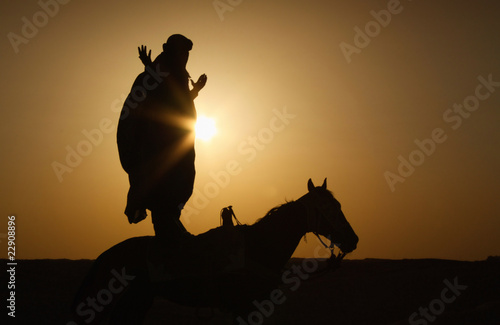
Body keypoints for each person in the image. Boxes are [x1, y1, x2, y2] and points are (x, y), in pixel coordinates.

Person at [117, 34, 207, 241]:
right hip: (158, 144)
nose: (184, 57)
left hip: (178, 141)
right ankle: (166, 229)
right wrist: (150, 68)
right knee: (163, 185)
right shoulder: (155, 75)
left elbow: (179, 101)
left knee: (180, 182)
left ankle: (170, 225)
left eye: (186, 54)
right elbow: (158, 100)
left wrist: (195, 90)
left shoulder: (179, 75)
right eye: (181, 52)